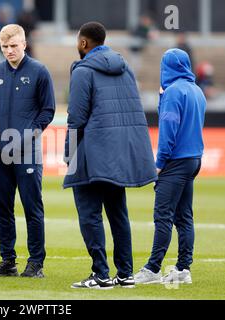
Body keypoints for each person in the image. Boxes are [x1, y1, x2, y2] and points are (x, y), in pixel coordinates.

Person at [63, 22, 157, 289]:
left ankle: (101, 274)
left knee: (89, 213)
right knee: (118, 213)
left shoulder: (83, 71)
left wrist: (69, 154)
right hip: (119, 153)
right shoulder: (125, 67)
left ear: (84, 43)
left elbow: (76, 118)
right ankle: (125, 274)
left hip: (92, 153)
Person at [0, 24, 55, 278]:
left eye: (14, 45)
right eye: (5, 47)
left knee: (31, 208)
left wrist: (29, 135)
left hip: (27, 153)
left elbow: (48, 111)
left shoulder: (39, 71)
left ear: (24, 44)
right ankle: (8, 261)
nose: (9, 51)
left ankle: (36, 263)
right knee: (2, 208)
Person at [135, 48, 206, 285]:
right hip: (194, 159)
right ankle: (183, 269)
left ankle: (153, 269)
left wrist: (159, 163)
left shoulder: (174, 92)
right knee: (184, 217)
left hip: (175, 161)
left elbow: (168, 129)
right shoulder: (197, 90)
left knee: (163, 216)